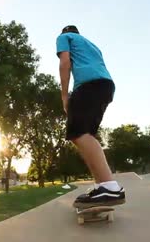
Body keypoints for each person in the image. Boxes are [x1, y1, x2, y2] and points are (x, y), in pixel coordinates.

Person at [56, 25, 126, 208]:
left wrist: (65, 95)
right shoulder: (92, 45)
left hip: (88, 86)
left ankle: (110, 186)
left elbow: (65, 63)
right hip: (106, 86)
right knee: (86, 135)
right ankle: (102, 186)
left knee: (78, 134)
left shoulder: (65, 37)